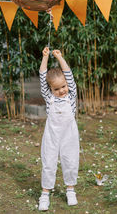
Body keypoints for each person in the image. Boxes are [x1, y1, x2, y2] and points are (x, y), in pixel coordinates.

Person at [38, 46, 79, 211]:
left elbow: (68, 73)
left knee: (70, 160)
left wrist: (60, 57)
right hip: (52, 135)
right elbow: (42, 77)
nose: (61, 91)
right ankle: (45, 193)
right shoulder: (49, 98)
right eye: (56, 89)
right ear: (50, 90)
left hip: (69, 134)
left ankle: (70, 190)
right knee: (48, 162)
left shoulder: (71, 94)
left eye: (63, 86)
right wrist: (45, 57)